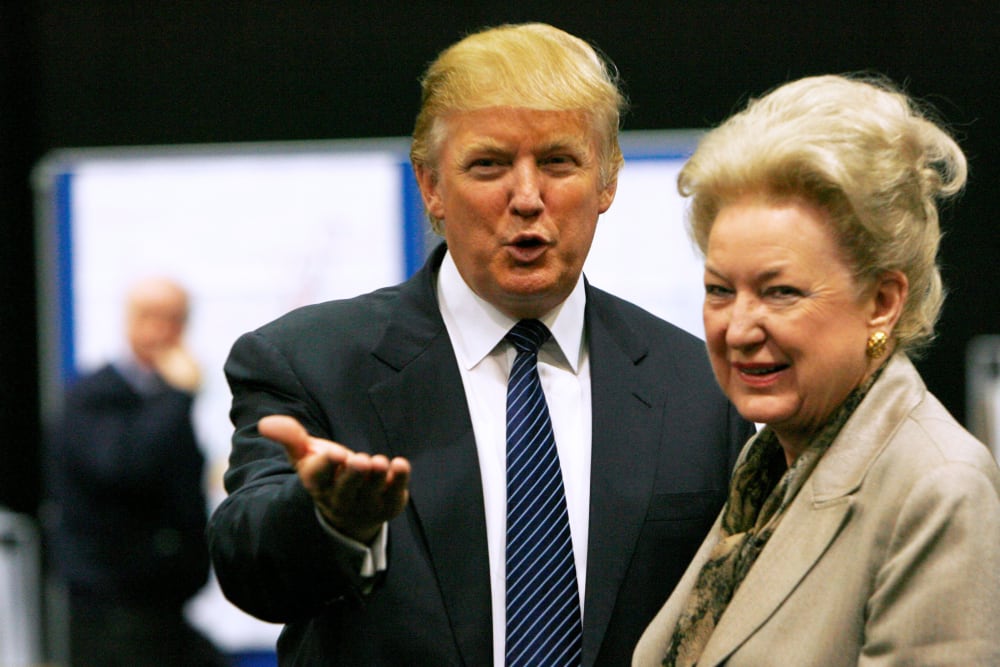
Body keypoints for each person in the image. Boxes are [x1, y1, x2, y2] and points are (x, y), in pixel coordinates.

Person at [207, 22, 754, 666]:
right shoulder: (310, 363)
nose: (526, 199)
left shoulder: (704, 386)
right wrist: (330, 521)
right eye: (488, 165)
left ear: (608, 181)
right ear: (431, 186)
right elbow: (249, 569)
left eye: (558, 162)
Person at [633, 74, 1000, 666]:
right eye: (720, 290)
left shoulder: (939, 489)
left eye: (780, 292)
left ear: (882, 301)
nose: (739, 328)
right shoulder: (766, 473)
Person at [45, 277, 228, 667]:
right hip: (111, 607)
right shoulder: (92, 397)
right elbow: (121, 468)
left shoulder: (162, 401)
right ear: (128, 320)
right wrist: (177, 396)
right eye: (149, 316)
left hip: (167, 604)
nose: (161, 331)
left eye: (175, 319)